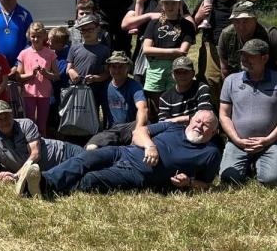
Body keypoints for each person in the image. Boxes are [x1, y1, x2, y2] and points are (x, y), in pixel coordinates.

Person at [36, 110, 222, 197]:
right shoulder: (172, 127)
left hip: (137, 173)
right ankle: (44, 181)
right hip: (122, 152)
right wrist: (150, 146)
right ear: (190, 120)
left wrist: (188, 182)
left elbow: (206, 185)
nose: (199, 126)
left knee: (92, 179)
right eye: (197, 121)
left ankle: (49, 190)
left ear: (213, 132)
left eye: (206, 125)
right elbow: (139, 132)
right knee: (85, 158)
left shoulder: (210, 153)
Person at [218, 39, 277, 188]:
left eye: (250, 56)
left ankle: (261, 163)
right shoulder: (230, 81)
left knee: (271, 180)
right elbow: (224, 115)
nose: (244, 59)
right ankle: (250, 164)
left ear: (264, 58)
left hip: (271, 143)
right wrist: (237, 139)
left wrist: (267, 140)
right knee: (229, 179)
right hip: (238, 143)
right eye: (243, 55)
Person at [193, 0, 266, 106]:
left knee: (241, 80)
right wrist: (199, 16)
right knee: (211, 81)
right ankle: (215, 115)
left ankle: (239, 110)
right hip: (212, 48)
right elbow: (191, 29)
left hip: (239, 47)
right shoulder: (206, 2)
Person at [0, 99, 84, 188]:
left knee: (93, 160)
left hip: (63, 153)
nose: (4, 120)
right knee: (87, 179)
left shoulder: (26, 124)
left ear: (12, 114)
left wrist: (17, 176)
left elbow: (35, 154)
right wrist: (0, 178)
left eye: (7, 115)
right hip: (52, 173)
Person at [140, 0, 196, 120]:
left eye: (174, 3)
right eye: (167, 3)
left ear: (179, 5)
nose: (170, 6)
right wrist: (172, 52)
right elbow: (146, 49)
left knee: (175, 100)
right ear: (162, 4)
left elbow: (183, 52)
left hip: (176, 69)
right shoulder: (154, 23)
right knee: (154, 105)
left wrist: (159, 51)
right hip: (155, 69)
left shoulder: (187, 25)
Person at [84, 52, 148, 149]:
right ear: (109, 68)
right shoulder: (104, 86)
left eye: (121, 67)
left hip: (130, 127)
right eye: (114, 67)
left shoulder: (135, 86)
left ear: (128, 68)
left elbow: (142, 108)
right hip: (112, 131)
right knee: (91, 147)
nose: (117, 70)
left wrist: (138, 130)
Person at [217, 1, 277, 78]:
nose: (241, 27)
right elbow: (225, 69)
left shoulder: (271, 36)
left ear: (255, 19)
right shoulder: (226, 35)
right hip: (240, 83)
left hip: (270, 82)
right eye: (236, 21)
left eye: (246, 21)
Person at [14, 22, 59, 133]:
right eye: (33, 36)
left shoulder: (50, 54)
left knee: (42, 123)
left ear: (44, 36)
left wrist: (46, 74)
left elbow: (57, 76)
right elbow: (18, 76)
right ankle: (31, 144)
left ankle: (43, 143)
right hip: (28, 93)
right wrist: (31, 74)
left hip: (44, 94)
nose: (35, 39)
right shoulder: (23, 53)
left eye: (38, 36)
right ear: (29, 36)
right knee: (30, 122)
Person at [157, 56, 214, 122]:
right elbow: (163, 122)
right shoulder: (165, 98)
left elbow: (205, 115)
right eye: (178, 72)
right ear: (172, 75)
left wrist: (176, 120)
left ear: (193, 73)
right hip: (175, 130)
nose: (182, 75)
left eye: (185, 72)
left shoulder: (202, 88)